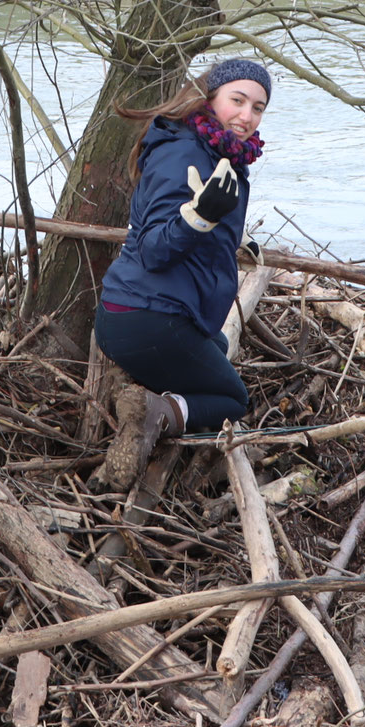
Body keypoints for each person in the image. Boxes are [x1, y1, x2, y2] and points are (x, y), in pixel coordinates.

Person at [94, 57, 270, 470]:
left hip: (144, 312)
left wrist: (232, 237)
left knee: (219, 345)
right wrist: (201, 217)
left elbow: (179, 216)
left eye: (258, 107)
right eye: (237, 100)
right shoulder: (184, 153)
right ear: (211, 97)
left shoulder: (208, 146)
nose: (246, 116)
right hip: (146, 317)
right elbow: (155, 247)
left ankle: (146, 390)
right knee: (232, 400)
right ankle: (156, 413)